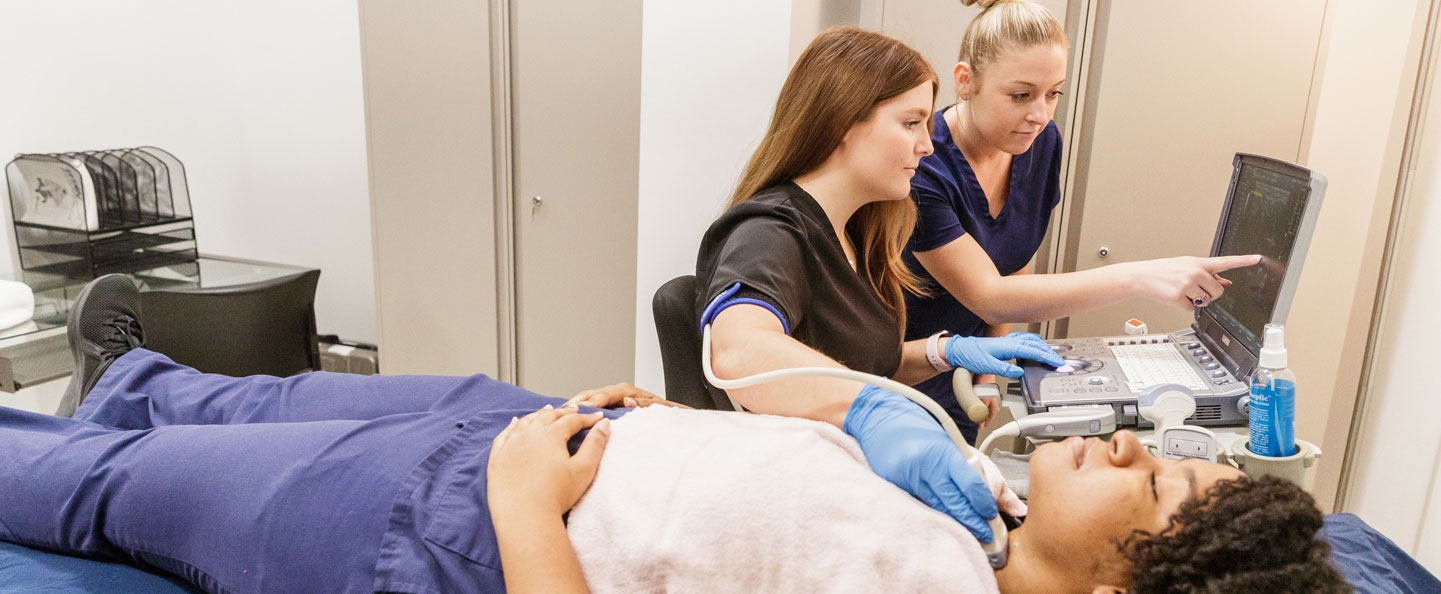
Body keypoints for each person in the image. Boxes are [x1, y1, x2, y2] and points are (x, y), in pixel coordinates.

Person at [0, 275, 1349, 594]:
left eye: (1158, 482)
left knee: (107, 484)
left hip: (449, 528)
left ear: (1128, 586)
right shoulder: (984, 540)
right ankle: (133, 373)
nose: (1125, 441)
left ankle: (87, 427)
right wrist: (676, 427)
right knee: (230, 398)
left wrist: (528, 510)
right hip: (549, 431)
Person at [693, 26, 1063, 544]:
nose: (927, 144)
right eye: (910, 122)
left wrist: (944, 352)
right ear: (841, 124)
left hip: (842, 484)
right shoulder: (770, 231)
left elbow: (857, 364)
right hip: (795, 507)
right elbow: (738, 349)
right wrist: (875, 407)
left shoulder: (855, 232)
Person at [903, 0, 1263, 440]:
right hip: (905, 371)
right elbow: (989, 295)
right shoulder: (924, 167)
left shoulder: (1038, 144)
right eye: (1021, 95)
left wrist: (988, 372)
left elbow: (1014, 265)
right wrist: (1138, 277)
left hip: (971, 371)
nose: (1040, 114)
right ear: (966, 81)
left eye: (1053, 93)